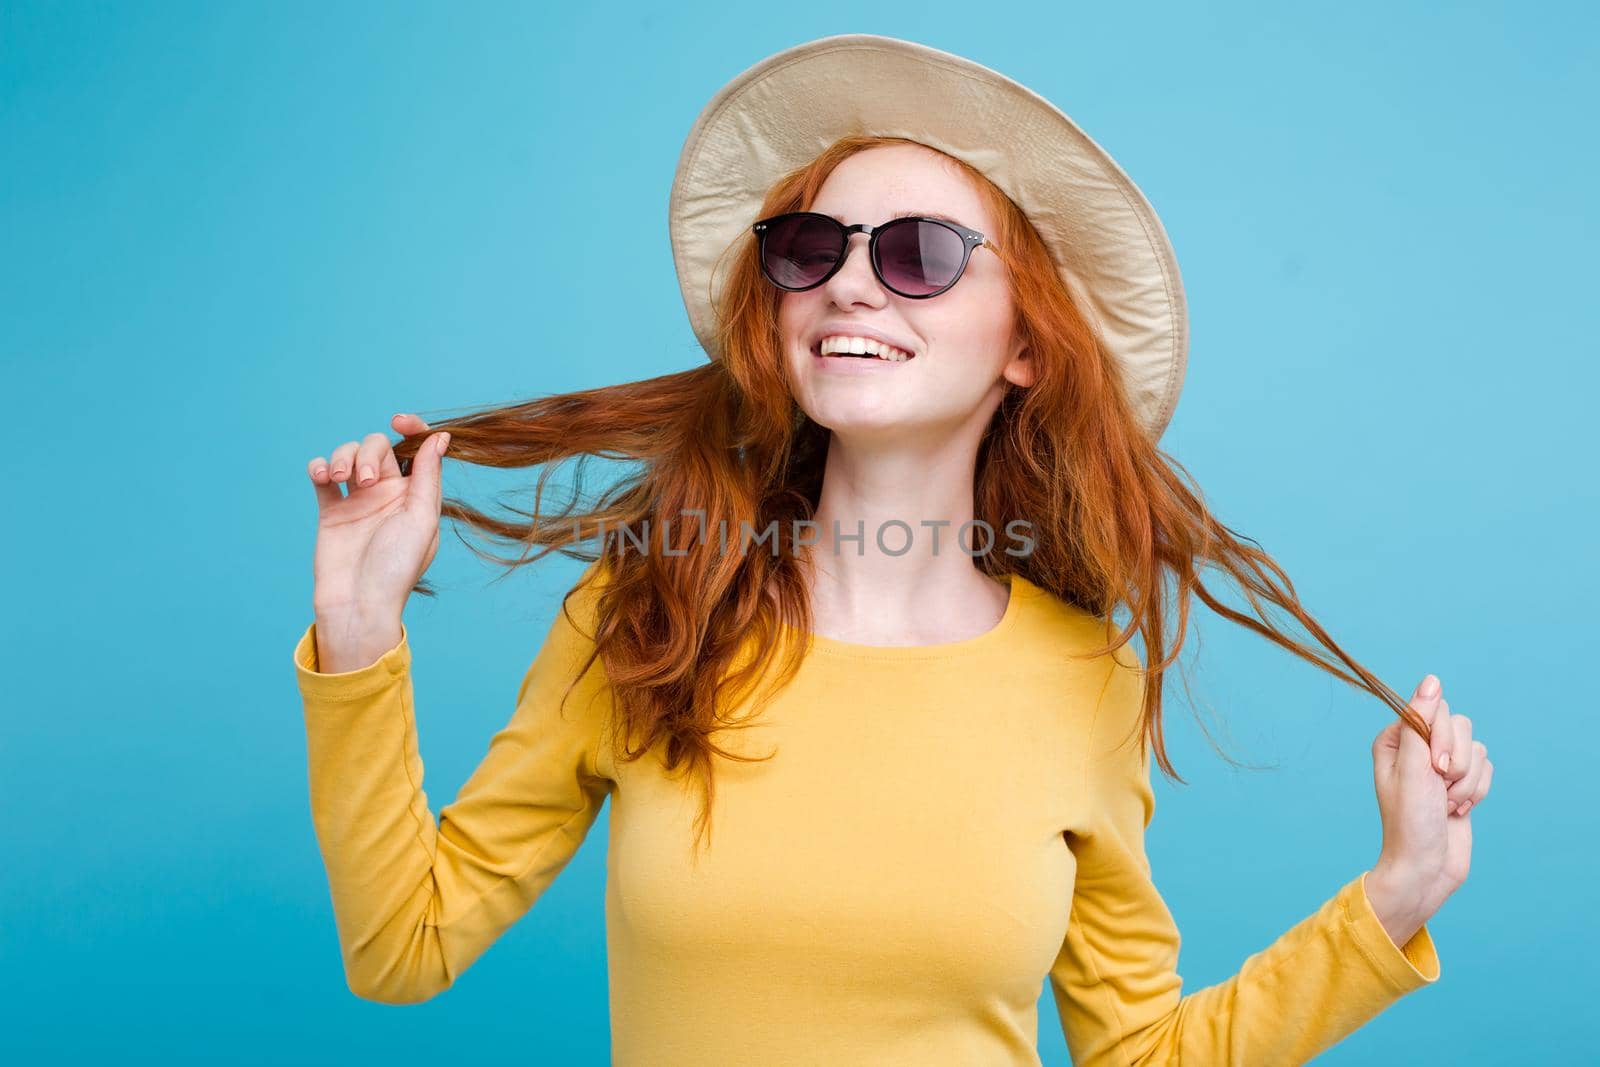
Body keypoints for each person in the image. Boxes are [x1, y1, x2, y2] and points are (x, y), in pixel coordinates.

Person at [292, 34, 1493, 1065]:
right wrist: (357, 637)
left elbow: (1142, 1049)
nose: (852, 287)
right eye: (813, 247)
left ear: (1024, 344)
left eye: (917, 253)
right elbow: (405, 944)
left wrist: (1398, 893)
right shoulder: (649, 619)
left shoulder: (1085, 680)